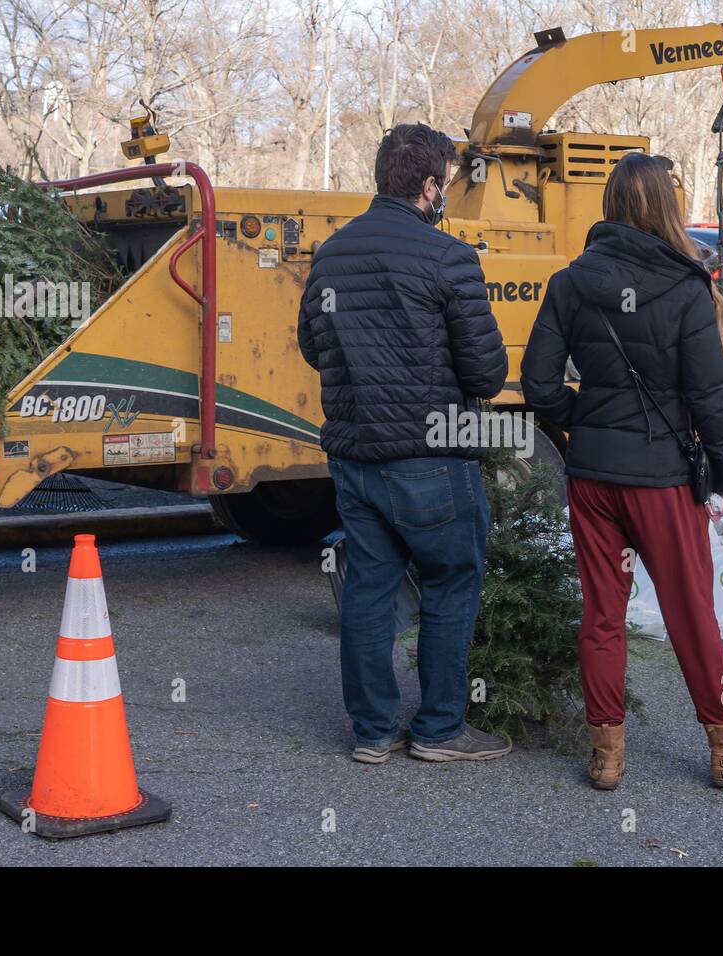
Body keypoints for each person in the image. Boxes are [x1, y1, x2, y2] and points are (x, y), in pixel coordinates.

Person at [519, 152, 723, 792]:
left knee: (602, 615)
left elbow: (539, 386)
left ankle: (606, 758)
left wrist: (589, 420)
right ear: (666, 207)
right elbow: (711, 398)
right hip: (662, 478)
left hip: (593, 476)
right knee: (691, 613)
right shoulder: (688, 287)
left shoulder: (570, 282)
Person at [297, 123, 511, 764]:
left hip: (355, 454)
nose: (446, 193)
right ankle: (441, 730)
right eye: (445, 183)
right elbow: (486, 373)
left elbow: (312, 346)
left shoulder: (331, 254)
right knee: (450, 581)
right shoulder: (448, 257)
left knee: (369, 587)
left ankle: (372, 732)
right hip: (432, 456)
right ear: (428, 186)